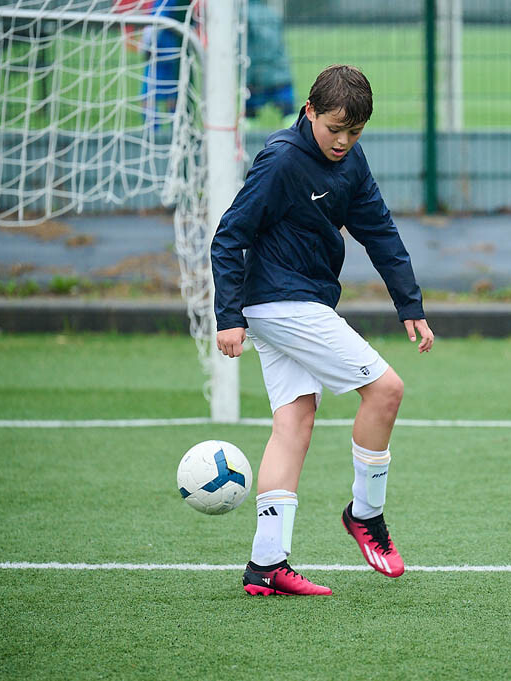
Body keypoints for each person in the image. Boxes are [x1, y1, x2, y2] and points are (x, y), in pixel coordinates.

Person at [211, 64, 434, 596]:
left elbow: (380, 232)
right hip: (282, 303)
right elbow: (229, 236)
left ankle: (266, 564)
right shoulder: (281, 159)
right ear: (309, 111)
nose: (342, 141)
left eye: (354, 132)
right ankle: (366, 515)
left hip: (297, 303)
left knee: (294, 421)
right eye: (334, 129)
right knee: (386, 390)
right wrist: (228, 316)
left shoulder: (351, 161)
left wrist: (409, 303)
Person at [243, 0, 297, 127]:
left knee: (248, 118)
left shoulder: (244, 14)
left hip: (256, 76)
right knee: (290, 115)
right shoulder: (272, 13)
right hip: (281, 73)